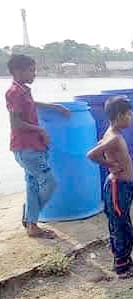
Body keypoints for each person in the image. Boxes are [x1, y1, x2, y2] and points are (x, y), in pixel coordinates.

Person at [5, 54, 70, 239]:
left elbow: (31, 105)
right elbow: (15, 123)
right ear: (18, 71)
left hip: (33, 147)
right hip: (26, 148)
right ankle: (30, 218)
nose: (35, 73)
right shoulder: (14, 92)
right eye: (31, 70)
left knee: (33, 185)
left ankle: (32, 225)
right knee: (50, 183)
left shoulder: (23, 90)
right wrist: (40, 130)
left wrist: (54, 106)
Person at [87, 96, 133, 279]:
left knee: (123, 223)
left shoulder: (112, 133)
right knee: (120, 225)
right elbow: (91, 154)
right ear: (120, 116)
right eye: (129, 115)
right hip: (117, 186)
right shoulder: (113, 137)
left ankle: (125, 259)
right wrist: (109, 164)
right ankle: (122, 267)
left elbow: (100, 148)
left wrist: (109, 162)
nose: (131, 118)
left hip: (123, 185)